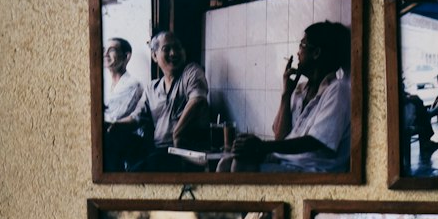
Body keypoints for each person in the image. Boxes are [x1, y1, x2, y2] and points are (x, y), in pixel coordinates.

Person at [222, 22, 352, 173]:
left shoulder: (337, 90)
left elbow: (315, 141)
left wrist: (262, 147)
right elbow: (280, 136)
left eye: (302, 45)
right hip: (286, 162)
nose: (297, 53)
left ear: (316, 53)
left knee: (241, 165)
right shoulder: (301, 90)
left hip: (311, 170)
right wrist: (286, 94)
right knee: (225, 163)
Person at [144, 31, 210, 169]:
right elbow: (137, 117)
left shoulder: (191, 72)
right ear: (154, 56)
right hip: (158, 150)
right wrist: (113, 125)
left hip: (185, 151)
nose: (173, 53)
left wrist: (177, 133)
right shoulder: (152, 87)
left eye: (178, 48)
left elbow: (198, 100)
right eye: (166, 49)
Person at [102, 38, 151, 171]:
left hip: (125, 142)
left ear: (126, 56)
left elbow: (114, 117)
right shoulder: (104, 84)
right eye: (104, 50)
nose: (105, 54)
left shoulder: (132, 84)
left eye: (111, 50)